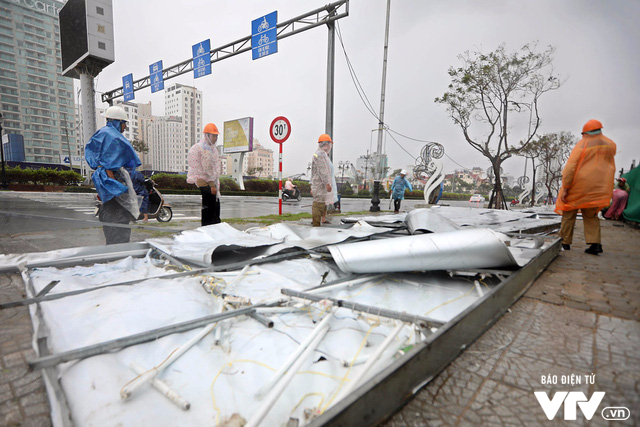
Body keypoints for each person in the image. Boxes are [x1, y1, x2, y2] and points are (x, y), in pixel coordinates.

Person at [555, 119, 616, 255]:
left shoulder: (583, 145)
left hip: (579, 185)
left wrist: (565, 187)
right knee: (591, 215)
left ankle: (564, 242)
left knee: (569, 212)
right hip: (598, 187)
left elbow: (571, 167)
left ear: (585, 133)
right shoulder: (610, 145)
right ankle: (595, 244)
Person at [85, 106, 141, 245]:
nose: (125, 127)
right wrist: (114, 184)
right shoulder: (112, 137)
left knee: (111, 222)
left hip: (105, 184)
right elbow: (109, 163)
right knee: (119, 225)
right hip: (111, 182)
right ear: (118, 122)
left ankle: (114, 254)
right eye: (124, 123)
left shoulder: (102, 133)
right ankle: (117, 257)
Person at [187, 123, 222, 226]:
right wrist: (212, 184)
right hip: (205, 182)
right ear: (207, 135)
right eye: (213, 135)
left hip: (211, 181)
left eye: (216, 136)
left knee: (214, 206)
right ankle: (209, 228)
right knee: (210, 208)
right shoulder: (204, 148)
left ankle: (214, 227)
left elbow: (214, 166)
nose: (215, 138)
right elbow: (207, 168)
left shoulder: (212, 148)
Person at [311, 134, 334, 226]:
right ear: (326, 144)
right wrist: (327, 183)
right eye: (329, 144)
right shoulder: (320, 155)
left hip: (319, 184)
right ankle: (316, 225)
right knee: (318, 205)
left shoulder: (321, 154)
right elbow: (323, 170)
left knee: (321, 204)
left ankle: (317, 223)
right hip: (320, 185)